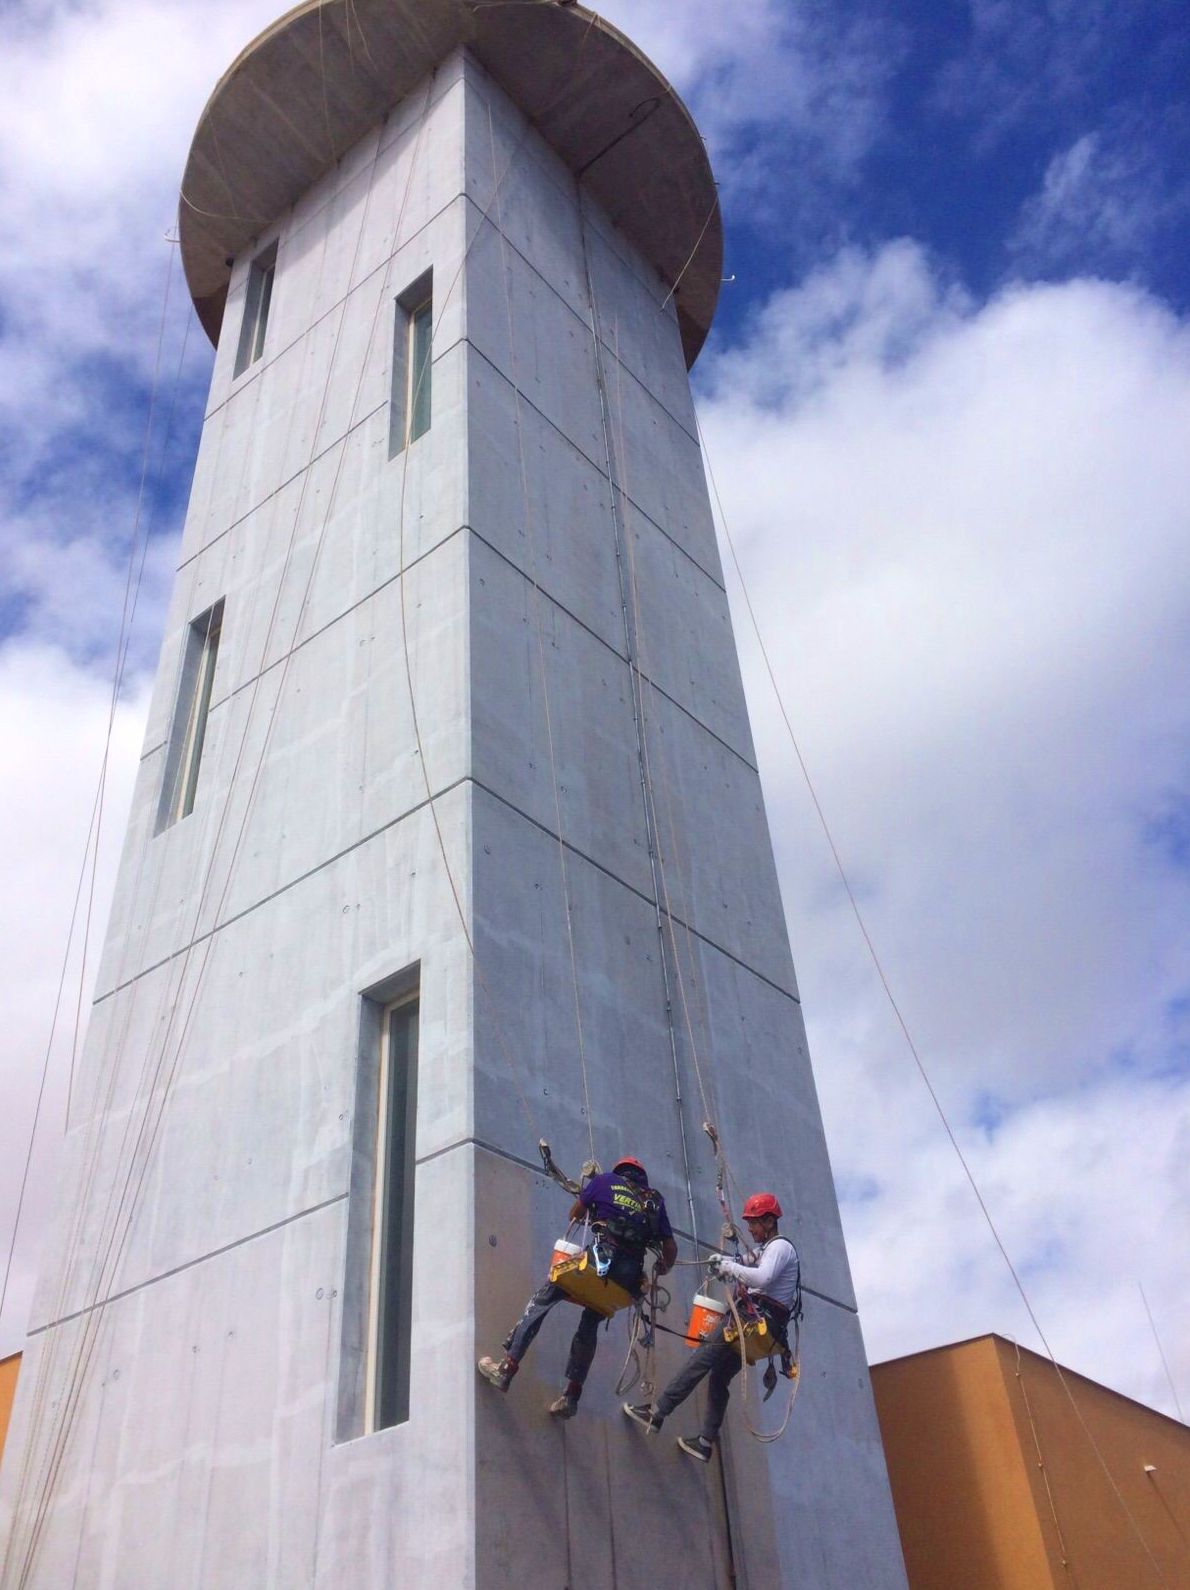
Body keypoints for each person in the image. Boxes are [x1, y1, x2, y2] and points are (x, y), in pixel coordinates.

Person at [478, 1156, 677, 1419]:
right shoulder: (654, 1201)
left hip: (598, 1264)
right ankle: (571, 1397)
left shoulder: (604, 1181)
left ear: (620, 1172)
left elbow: (574, 1214)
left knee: (545, 1298)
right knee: (590, 1322)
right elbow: (670, 1248)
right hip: (626, 1282)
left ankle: (507, 1368)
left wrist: (596, 1210)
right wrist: (663, 1266)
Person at [623, 1191, 799, 1460]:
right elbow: (743, 1263)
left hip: (750, 1320)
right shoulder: (765, 1250)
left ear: (769, 1220)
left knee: (700, 1359)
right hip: (762, 1328)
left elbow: (761, 1278)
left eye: (753, 1223)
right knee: (718, 1377)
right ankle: (705, 1442)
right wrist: (722, 1264)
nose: (750, 1229)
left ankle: (656, 1413)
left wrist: (728, 1269)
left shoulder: (780, 1247)